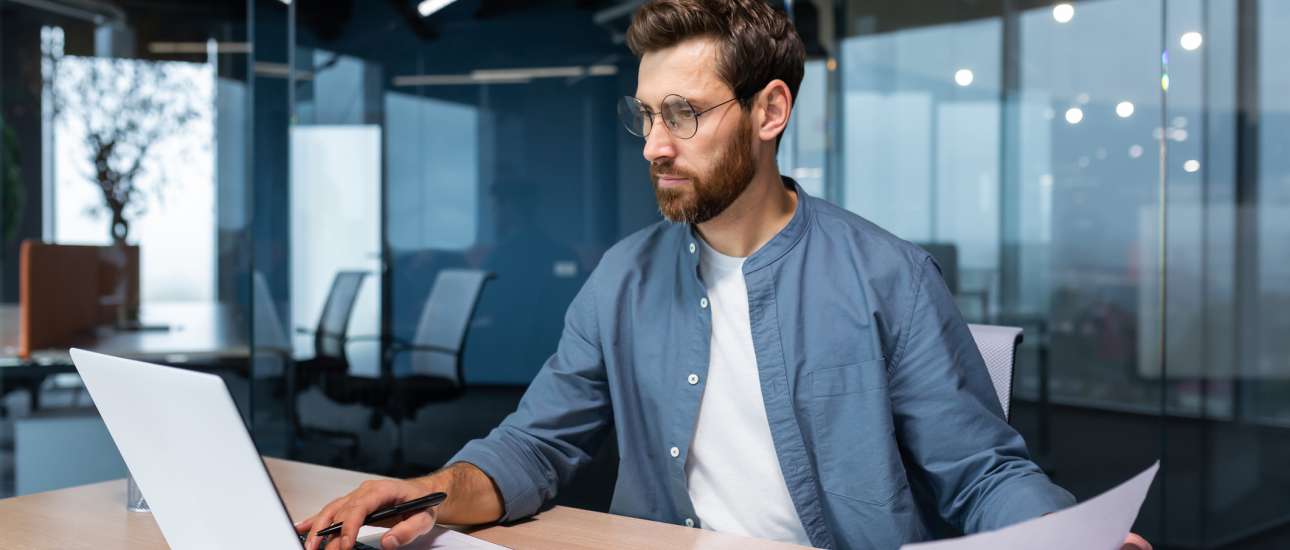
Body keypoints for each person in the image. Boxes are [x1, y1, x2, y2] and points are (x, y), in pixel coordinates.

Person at [296, 2, 1152, 549]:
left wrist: (1068, 538)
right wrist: (432, 494)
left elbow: (980, 473)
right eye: (645, 116)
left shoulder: (888, 276)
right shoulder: (620, 281)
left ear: (770, 112)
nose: (656, 145)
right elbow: (534, 445)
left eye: (683, 114)